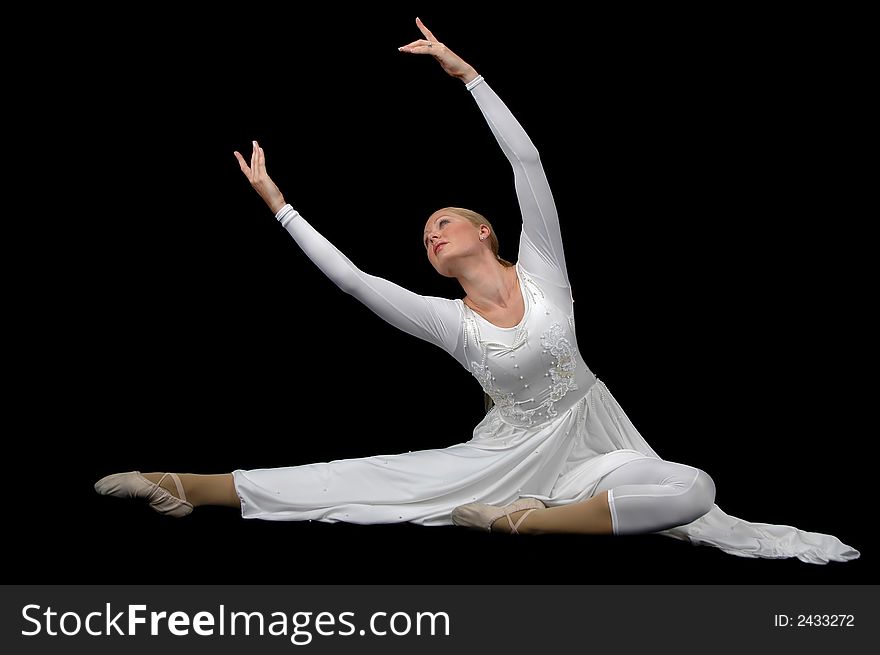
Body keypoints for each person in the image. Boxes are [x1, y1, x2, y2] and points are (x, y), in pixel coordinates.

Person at [95, 17, 859, 564]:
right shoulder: (449, 321)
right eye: (425, 232)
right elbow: (353, 281)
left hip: (597, 445)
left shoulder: (543, 267)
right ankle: (182, 484)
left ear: (484, 232)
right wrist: (279, 204)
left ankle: (525, 526)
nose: (432, 232)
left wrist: (474, 79)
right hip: (509, 456)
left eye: (445, 219)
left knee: (696, 491)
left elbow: (528, 165)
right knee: (367, 480)